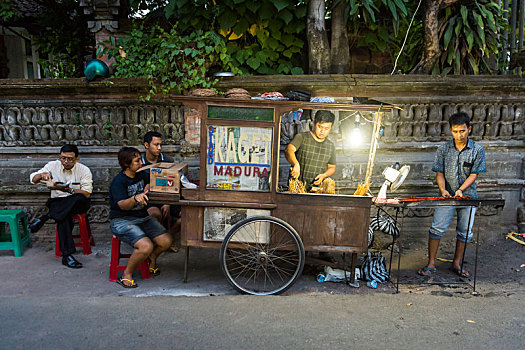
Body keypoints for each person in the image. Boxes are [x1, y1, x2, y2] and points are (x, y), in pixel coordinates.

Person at [418, 112, 486, 278]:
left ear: (469, 129)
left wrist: (461, 190)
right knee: (436, 228)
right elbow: (439, 172)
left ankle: (457, 263)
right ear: (451, 131)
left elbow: (474, 174)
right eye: (455, 131)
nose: (459, 135)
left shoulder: (477, 150)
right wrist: (443, 190)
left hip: (468, 196)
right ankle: (431, 263)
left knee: (464, 232)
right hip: (447, 196)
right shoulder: (443, 149)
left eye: (462, 131)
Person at [109, 146, 173, 288]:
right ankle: (126, 274)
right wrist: (135, 198)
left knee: (166, 241)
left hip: (142, 217)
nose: (141, 163)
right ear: (126, 164)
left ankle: (152, 257)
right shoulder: (118, 182)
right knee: (146, 246)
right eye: (137, 161)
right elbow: (123, 205)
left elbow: (149, 181)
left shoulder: (140, 174)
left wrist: (147, 188)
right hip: (122, 221)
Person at [29, 144, 92, 269]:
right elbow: (33, 179)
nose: (66, 162)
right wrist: (42, 175)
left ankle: (46, 217)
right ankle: (67, 256)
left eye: (70, 159)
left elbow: (87, 193)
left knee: (80, 197)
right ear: (60, 157)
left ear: (77, 159)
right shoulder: (52, 166)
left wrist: (70, 190)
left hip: (76, 202)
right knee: (63, 218)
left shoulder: (84, 170)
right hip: (58, 202)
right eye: (63, 158)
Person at [142, 131, 180, 253]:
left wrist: (167, 202)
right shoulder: (139, 163)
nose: (159, 148)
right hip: (150, 201)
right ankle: (158, 242)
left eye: (160, 145)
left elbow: (174, 183)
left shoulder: (168, 160)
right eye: (155, 144)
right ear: (146, 145)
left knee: (186, 216)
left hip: (168, 198)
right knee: (154, 214)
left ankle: (169, 237)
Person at [285, 110, 337, 190]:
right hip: (297, 189)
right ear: (314, 123)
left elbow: (332, 167)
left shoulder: (330, 146)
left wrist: (324, 175)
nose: (322, 131)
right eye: (320, 127)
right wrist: (295, 164)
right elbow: (289, 149)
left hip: (317, 190)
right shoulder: (302, 137)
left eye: (326, 128)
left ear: (331, 128)